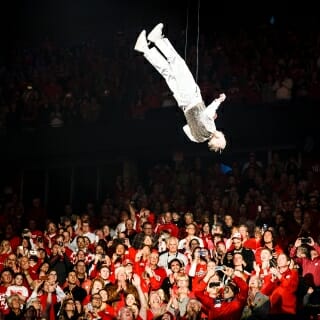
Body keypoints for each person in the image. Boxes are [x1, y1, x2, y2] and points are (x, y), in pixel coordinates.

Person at [134, 23, 227, 152]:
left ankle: (157, 40)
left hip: (191, 97)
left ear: (218, 141)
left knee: (178, 63)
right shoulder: (197, 139)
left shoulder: (211, 129)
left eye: (222, 138)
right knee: (167, 73)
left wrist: (218, 101)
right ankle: (145, 49)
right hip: (182, 103)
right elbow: (186, 128)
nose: (223, 135)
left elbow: (206, 114)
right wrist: (199, 120)